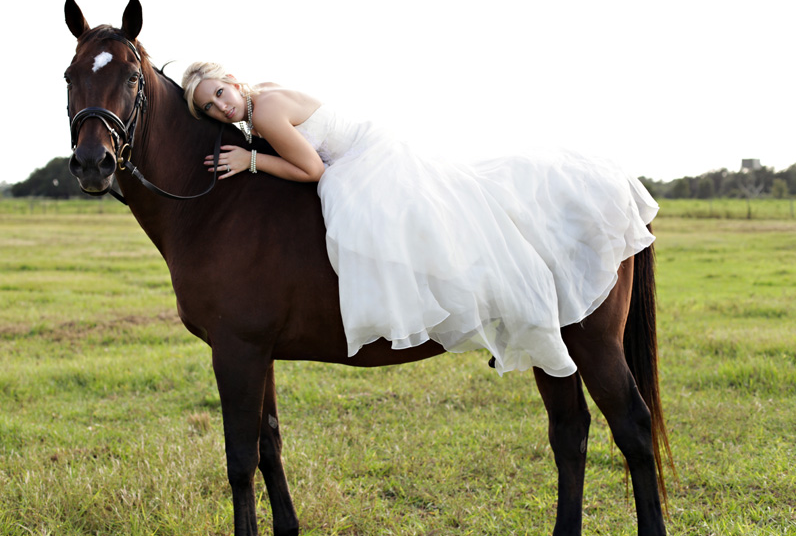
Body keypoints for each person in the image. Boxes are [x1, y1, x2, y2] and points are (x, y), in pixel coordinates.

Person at [181, 62, 659, 378]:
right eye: (209, 106)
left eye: (220, 92)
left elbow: (312, 169)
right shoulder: (261, 95)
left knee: (391, 229)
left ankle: (478, 301)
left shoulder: (263, 111)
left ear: (231, 78)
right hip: (369, 146)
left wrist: (252, 162)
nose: (221, 106)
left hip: (359, 162)